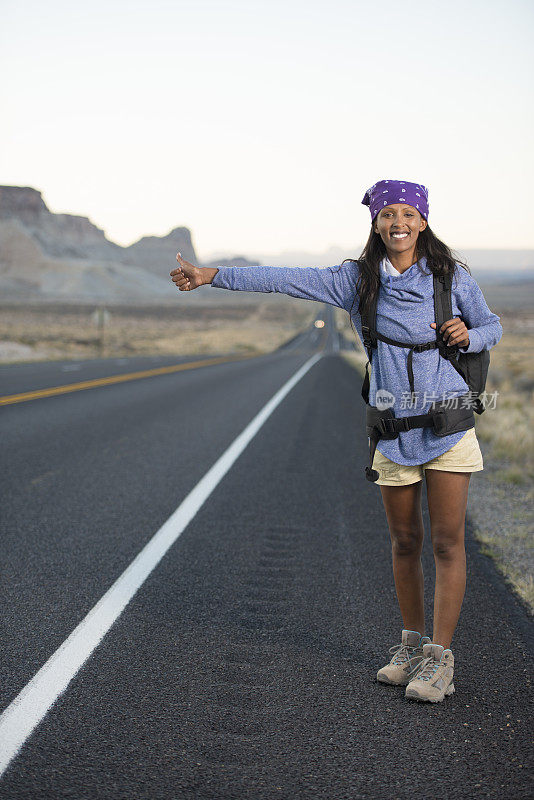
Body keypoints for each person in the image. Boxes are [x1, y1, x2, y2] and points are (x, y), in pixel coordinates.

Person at [169, 179, 503, 703]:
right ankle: (412, 645)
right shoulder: (356, 280)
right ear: (375, 222)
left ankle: (441, 659)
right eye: (387, 214)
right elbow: (285, 278)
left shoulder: (449, 274)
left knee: (446, 542)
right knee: (404, 542)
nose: (398, 223)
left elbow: (492, 326)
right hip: (393, 431)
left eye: (407, 215)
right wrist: (211, 275)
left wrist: (469, 335)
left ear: (422, 221)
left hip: (448, 426)